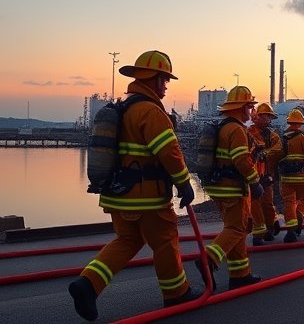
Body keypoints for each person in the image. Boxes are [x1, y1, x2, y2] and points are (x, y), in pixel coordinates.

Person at [68, 50, 200, 322]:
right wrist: (185, 182)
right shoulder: (150, 111)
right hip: (147, 198)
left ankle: (88, 283)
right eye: (164, 80)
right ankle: (177, 293)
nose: (165, 87)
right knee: (165, 241)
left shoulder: (124, 108)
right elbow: (169, 152)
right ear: (152, 79)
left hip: (117, 195)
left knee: (127, 240)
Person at [197, 85, 264, 290]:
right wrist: (255, 181)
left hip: (218, 187)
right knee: (237, 228)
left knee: (235, 228)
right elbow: (241, 160)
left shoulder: (223, 127)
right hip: (232, 188)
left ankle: (240, 275)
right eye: (249, 107)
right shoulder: (236, 129)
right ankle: (209, 259)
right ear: (242, 108)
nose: (251, 112)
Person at [275, 109, 304, 243]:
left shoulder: (281, 139)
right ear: (300, 124)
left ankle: (291, 231)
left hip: (285, 179)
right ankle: (299, 214)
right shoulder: (303, 139)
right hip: (302, 178)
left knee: (289, 202)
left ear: (288, 122)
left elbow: (275, 158)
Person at [247, 103, 283, 245]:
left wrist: (265, 153)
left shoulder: (272, 136)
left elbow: (278, 150)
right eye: (266, 116)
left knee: (267, 203)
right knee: (255, 204)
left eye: (269, 116)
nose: (268, 119)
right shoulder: (248, 133)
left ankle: (269, 228)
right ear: (258, 116)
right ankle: (258, 233)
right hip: (252, 174)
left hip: (267, 174)